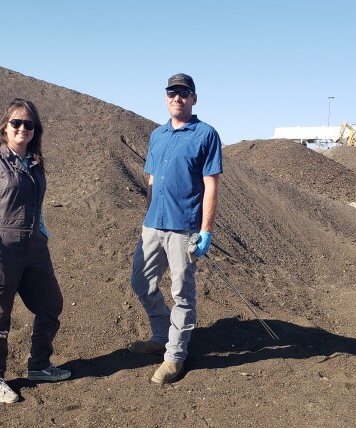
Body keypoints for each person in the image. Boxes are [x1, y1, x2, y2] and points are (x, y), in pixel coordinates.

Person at [0, 98, 70, 404]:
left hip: (34, 248)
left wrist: (42, 232)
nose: (23, 128)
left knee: (51, 305)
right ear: (5, 127)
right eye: (17, 123)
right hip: (0, 250)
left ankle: (38, 365)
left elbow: (34, 206)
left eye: (29, 124)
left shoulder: (36, 164)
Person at [128, 73, 223, 384]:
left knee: (182, 293)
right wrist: (148, 213)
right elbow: (152, 180)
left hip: (184, 228)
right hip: (154, 225)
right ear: (166, 97)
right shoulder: (158, 136)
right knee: (142, 283)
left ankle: (174, 356)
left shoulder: (206, 135)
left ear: (193, 98)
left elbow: (211, 186)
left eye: (184, 93)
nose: (177, 98)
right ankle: (161, 333)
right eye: (172, 93)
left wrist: (205, 230)